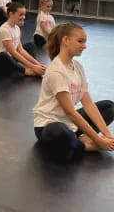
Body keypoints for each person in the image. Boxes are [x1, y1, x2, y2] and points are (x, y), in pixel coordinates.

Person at [33, 23, 114, 161]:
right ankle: (85, 146)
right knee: (60, 133)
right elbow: (71, 113)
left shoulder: (77, 67)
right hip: (49, 126)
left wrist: (108, 136)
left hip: (70, 125)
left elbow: (88, 103)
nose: (84, 46)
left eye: (85, 42)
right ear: (66, 40)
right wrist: (99, 142)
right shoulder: (56, 72)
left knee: (109, 107)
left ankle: (77, 141)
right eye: (80, 41)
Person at [0, 2, 46, 77]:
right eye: (21, 15)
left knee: (30, 46)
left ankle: (33, 68)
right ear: (11, 14)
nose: (24, 17)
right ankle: (25, 71)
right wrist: (32, 66)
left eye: (24, 15)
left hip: (9, 60)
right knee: (3, 55)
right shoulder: (4, 30)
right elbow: (13, 52)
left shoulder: (17, 28)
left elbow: (20, 50)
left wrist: (37, 63)